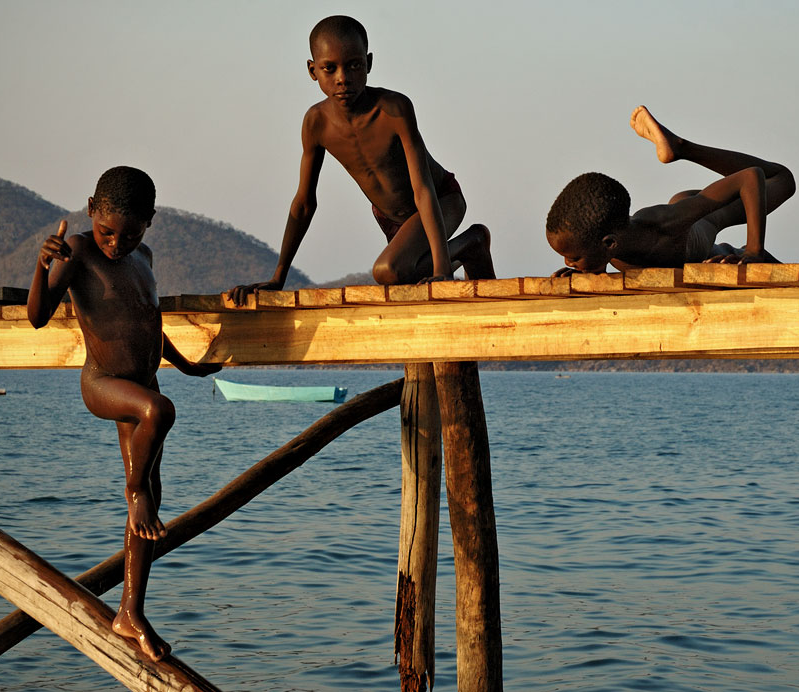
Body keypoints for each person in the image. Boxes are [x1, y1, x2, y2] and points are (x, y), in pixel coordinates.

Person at [27, 166, 221, 662]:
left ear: (149, 223)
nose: (116, 243)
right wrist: (41, 264)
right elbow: (37, 315)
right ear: (91, 210)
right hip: (104, 384)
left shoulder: (145, 258)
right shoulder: (78, 254)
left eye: (129, 233)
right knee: (158, 420)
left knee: (155, 494)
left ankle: (130, 612)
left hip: (143, 381)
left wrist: (187, 366)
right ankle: (134, 493)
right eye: (108, 230)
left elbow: (150, 323)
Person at [229, 15, 494, 305]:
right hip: (392, 220)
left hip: (440, 201)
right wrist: (277, 278)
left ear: (368, 63)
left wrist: (443, 270)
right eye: (330, 68)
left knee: (388, 270)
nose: (343, 78)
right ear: (312, 70)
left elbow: (423, 189)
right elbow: (304, 203)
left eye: (354, 65)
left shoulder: (394, 109)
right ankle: (472, 247)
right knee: (405, 278)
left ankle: (470, 242)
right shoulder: (316, 123)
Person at [546, 105, 796, 276]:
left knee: (783, 180)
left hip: (700, 219)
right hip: (695, 246)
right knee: (717, 255)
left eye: (574, 258)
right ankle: (733, 251)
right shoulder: (609, 252)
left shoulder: (665, 225)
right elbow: (598, 261)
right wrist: (583, 273)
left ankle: (682, 148)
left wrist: (754, 251)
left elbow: (750, 177)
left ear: (609, 243)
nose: (568, 263)